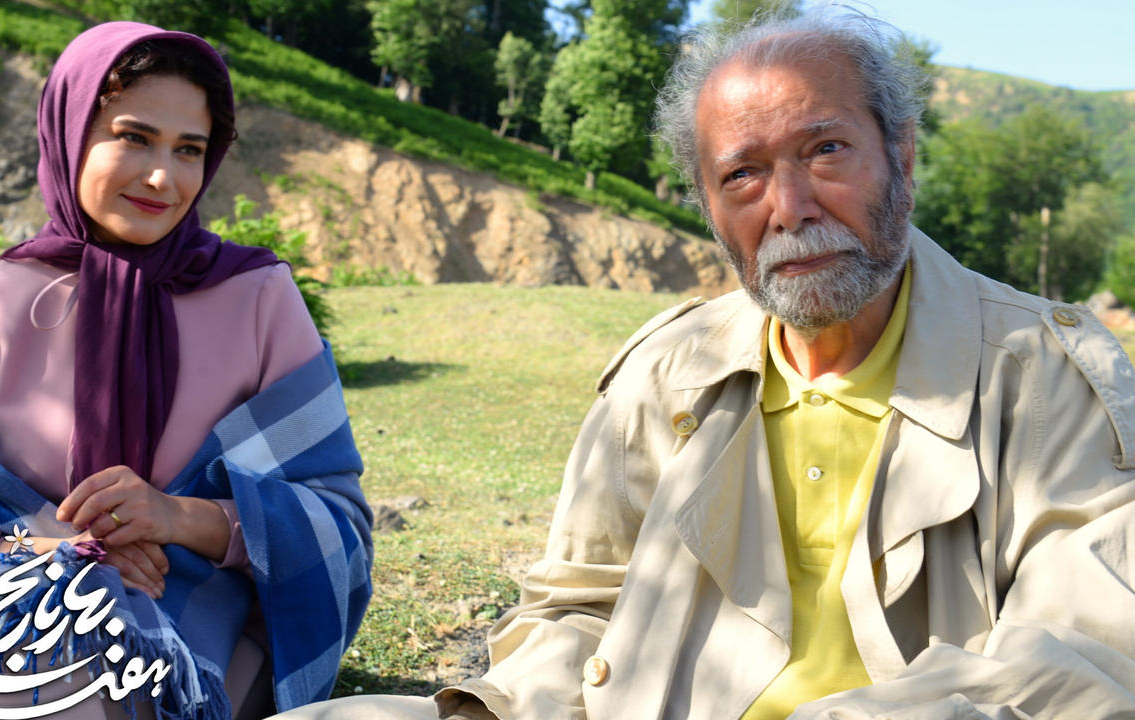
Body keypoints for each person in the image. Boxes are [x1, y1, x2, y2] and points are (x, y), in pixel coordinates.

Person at [275, 8, 1135, 720]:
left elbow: (1085, 655)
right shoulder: (664, 372)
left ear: (902, 156)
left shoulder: (1045, 373)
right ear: (709, 208)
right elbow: (582, 604)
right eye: (743, 175)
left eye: (825, 151)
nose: (789, 208)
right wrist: (494, 709)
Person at [0, 21, 372, 719]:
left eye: (189, 150)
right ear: (69, 134)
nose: (163, 177)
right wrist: (50, 552)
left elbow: (337, 528)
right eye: (134, 137)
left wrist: (176, 519)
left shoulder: (260, 301)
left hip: (188, 648)